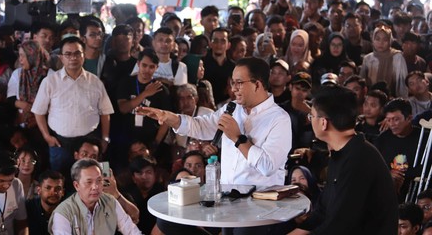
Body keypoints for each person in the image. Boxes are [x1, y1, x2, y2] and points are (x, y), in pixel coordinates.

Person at [138, 57, 292, 190]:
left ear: (257, 85)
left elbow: (268, 166)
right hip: (228, 198)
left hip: (261, 205)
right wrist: (169, 117)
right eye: (233, 83)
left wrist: (238, 138)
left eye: (239, 83)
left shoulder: (279, 119)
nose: (233, 89)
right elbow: (201, 126)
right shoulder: (233, 109)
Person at [289, 86, 397, 235]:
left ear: (323, 123)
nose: (310, 120)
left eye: (311, 116)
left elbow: (339, 226)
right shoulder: (340, 152)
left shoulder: (359, 159)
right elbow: (322, 210)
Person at [32, 36, 114, 176]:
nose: (73, 58)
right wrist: (47, 136)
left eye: (77, 53)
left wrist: (105, 138)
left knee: (92, 181)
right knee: (60, 181)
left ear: (83, 56)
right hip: (60, 143)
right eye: (68, 54)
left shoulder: (95, 81)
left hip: (89, 142)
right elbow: (38, 112)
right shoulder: (50, 81)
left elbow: (105, 112)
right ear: (61, 57)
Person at [49, 159, 141, 234]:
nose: (95, 187)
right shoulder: (63, 213)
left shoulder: (110, 202)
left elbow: (131, 230)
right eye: (89, 182)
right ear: (76, 185)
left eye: (99, 180)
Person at [360, 27, 408, 98]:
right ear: (373, 40)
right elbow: (362, 82)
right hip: (371, 98)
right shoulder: (368, 58)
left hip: (393, 98)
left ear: (390, 41)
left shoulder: (397, 56)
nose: (381, 43)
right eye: (377, 39)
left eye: (385, 40)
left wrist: (401, 99)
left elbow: (402, 82)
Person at [25, 170, 64, 235]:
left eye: (58, 188)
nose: (53, 192)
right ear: (39, 190)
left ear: (63, 192)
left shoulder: (67, 211)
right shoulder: (28, 208)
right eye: (48, 188)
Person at [203, 27, 235, 105]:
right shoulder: (202, 64)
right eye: (215, 40)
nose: (219, 45)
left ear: (228, 45)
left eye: (223, 41)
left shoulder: (234, 67)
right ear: (210, 44)